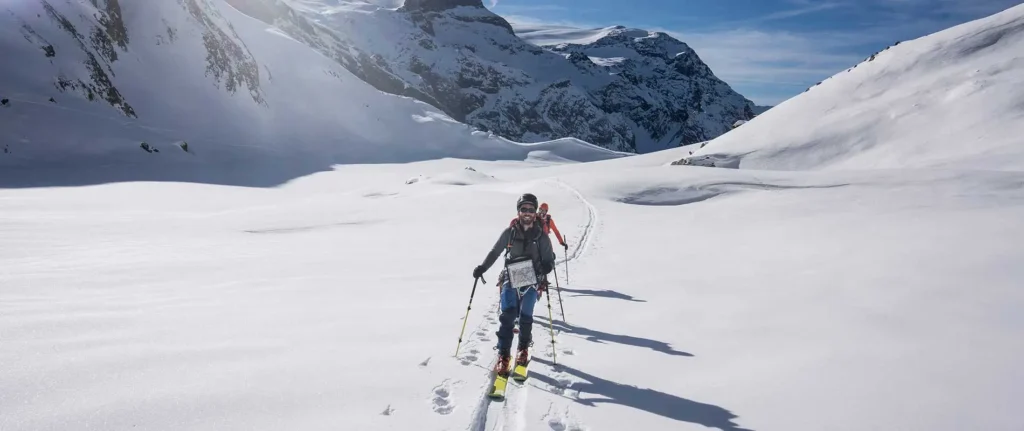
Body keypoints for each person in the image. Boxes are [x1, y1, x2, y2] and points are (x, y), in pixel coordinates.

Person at [473, 193, 556, 374]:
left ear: (535, 213)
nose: (527, 213)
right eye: (523, 209)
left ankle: (523, 349)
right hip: (511, 277)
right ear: (518, 211)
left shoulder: (541, 236)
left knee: (526, 317)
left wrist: (547, 267)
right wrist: (483, 268)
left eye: (530, 209)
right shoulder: (509, 233)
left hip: (532, 279)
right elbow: (495, 252)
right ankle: (504, 355)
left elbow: (549, 258)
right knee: (508, 316)